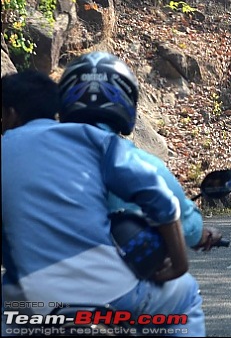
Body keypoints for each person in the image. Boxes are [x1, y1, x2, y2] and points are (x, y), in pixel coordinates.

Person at [0, 55, 202, 336]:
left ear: (9, 114)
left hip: (29, 300)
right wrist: (179, 265)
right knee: (186, 293)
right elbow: (162, 200)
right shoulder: (94, 142)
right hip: (109, 292)